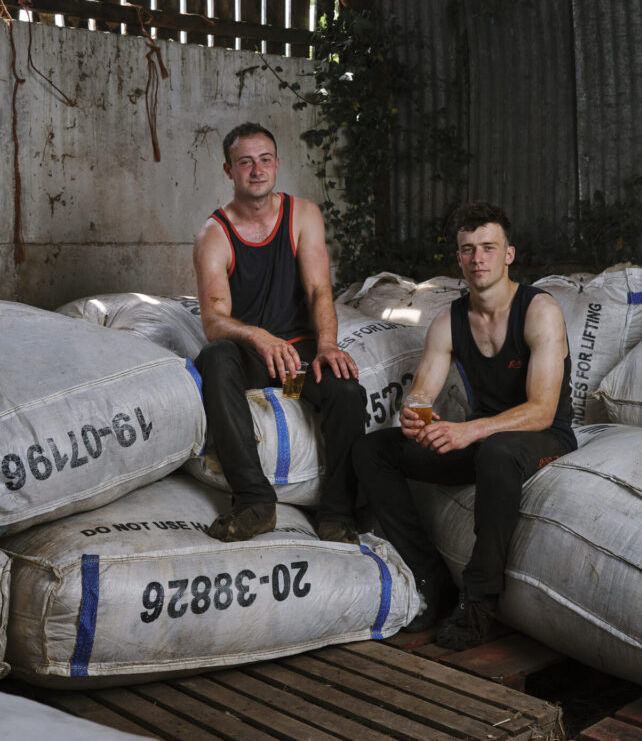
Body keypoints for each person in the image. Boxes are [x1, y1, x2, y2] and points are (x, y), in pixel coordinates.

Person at [352, 201, 576, 649]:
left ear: (508, 254)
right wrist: (416, 416)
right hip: (482, 439)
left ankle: (480, 600)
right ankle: (427, 575)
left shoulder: (539, 310)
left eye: (489, 248)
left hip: (541, 436)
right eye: (469, 249)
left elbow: (541, 411)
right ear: (458, 258)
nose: (479, 259)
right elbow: (422, 392)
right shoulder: (448, 322)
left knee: (496, 451)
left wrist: (469, 430)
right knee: (372, 451)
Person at [193, 122, 366, 543]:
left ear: (277, 164)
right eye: (245, 162)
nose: (257, 170)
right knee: (215, 357)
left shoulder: (302, 215)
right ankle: (255, 502)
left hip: (295, 368)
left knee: (346, 390)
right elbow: (214, 321)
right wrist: (258, 336)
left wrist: (327, 345)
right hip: (253, 361)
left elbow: (319, 290)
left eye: (265, 160)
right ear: (228, 170)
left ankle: (338, 514)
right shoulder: (214, 235)